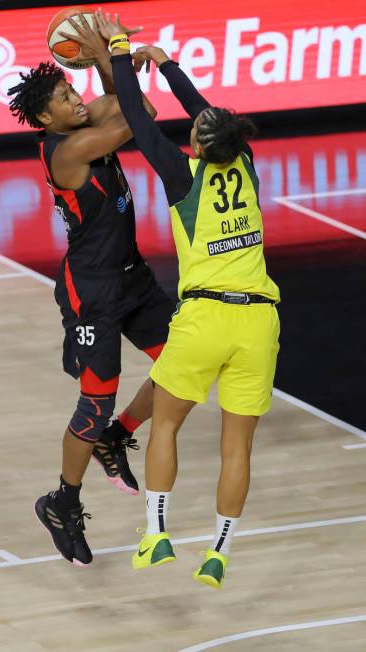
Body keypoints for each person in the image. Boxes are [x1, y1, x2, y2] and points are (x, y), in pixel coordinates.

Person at [90, 14, 280, 588]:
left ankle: (156, 536)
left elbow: (134, 108)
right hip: (259, 322)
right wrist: (166, 63)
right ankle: (219, 553)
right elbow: (206, 111)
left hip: (204, 317)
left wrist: (122, 52)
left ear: (197, 143)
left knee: (166, 426)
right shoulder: (244, 163)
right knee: (237, 449)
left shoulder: (180, 174)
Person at [7, 13, 174, 566]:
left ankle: (115, 435)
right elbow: (132, 121)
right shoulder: (66, 151)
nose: (74, 97)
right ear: (43, 117)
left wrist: (111, 63)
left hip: (133, 277)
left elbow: (142, 112)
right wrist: (110, 53)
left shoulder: (84, 122)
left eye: (71, 84)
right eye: (62, 94)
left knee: (185, 368)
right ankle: (62, 501)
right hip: (93, 290)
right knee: (94, 398)